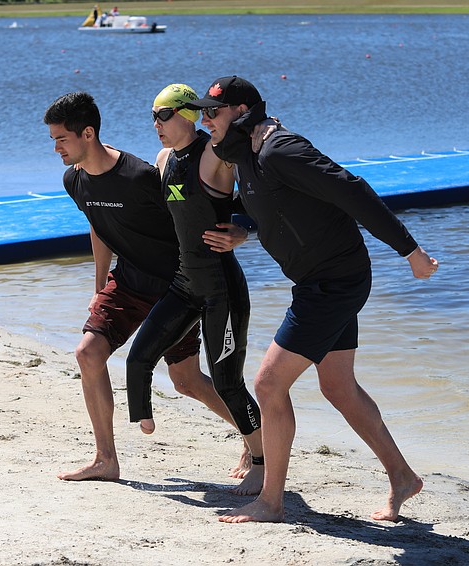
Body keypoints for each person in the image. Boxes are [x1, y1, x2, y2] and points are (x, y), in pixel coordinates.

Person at [184, 76, 439, 523]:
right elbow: (282, 209)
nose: (204, 122)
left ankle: (271, 501)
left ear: (241, 113)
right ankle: (403, 477)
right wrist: (246, 230)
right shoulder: (247, 155)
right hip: (321, 279)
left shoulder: (282, 149)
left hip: (333, 282)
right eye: (202, 113)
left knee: (267, 384)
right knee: (337, 385)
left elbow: (352, 191)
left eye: (212, 112)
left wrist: (410, 251)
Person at [43, 92, 253, 482]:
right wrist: (100, 281)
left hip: (173, 285)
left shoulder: (140, 176)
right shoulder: (74, 179)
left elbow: (192, 213)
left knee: (187, 381)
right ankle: (105, 459)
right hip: (127, 281)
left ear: (87, 133)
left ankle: (251, 435)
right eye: (53, 140)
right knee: (88, 354)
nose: (55, 148)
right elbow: (98, 226)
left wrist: (238, 232)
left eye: (61, 139)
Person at [124, 84, 264, 494]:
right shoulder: (165, 159)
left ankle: (262, 459)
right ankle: (144, 421)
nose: (156, 125)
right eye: (152, 115)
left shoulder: (217, 153)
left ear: (187, 115)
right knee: (138, 359)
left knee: (228, 383)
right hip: (186, 284)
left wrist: (245, 229)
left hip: (222, 288)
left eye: (163, 115)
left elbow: (261, 198)